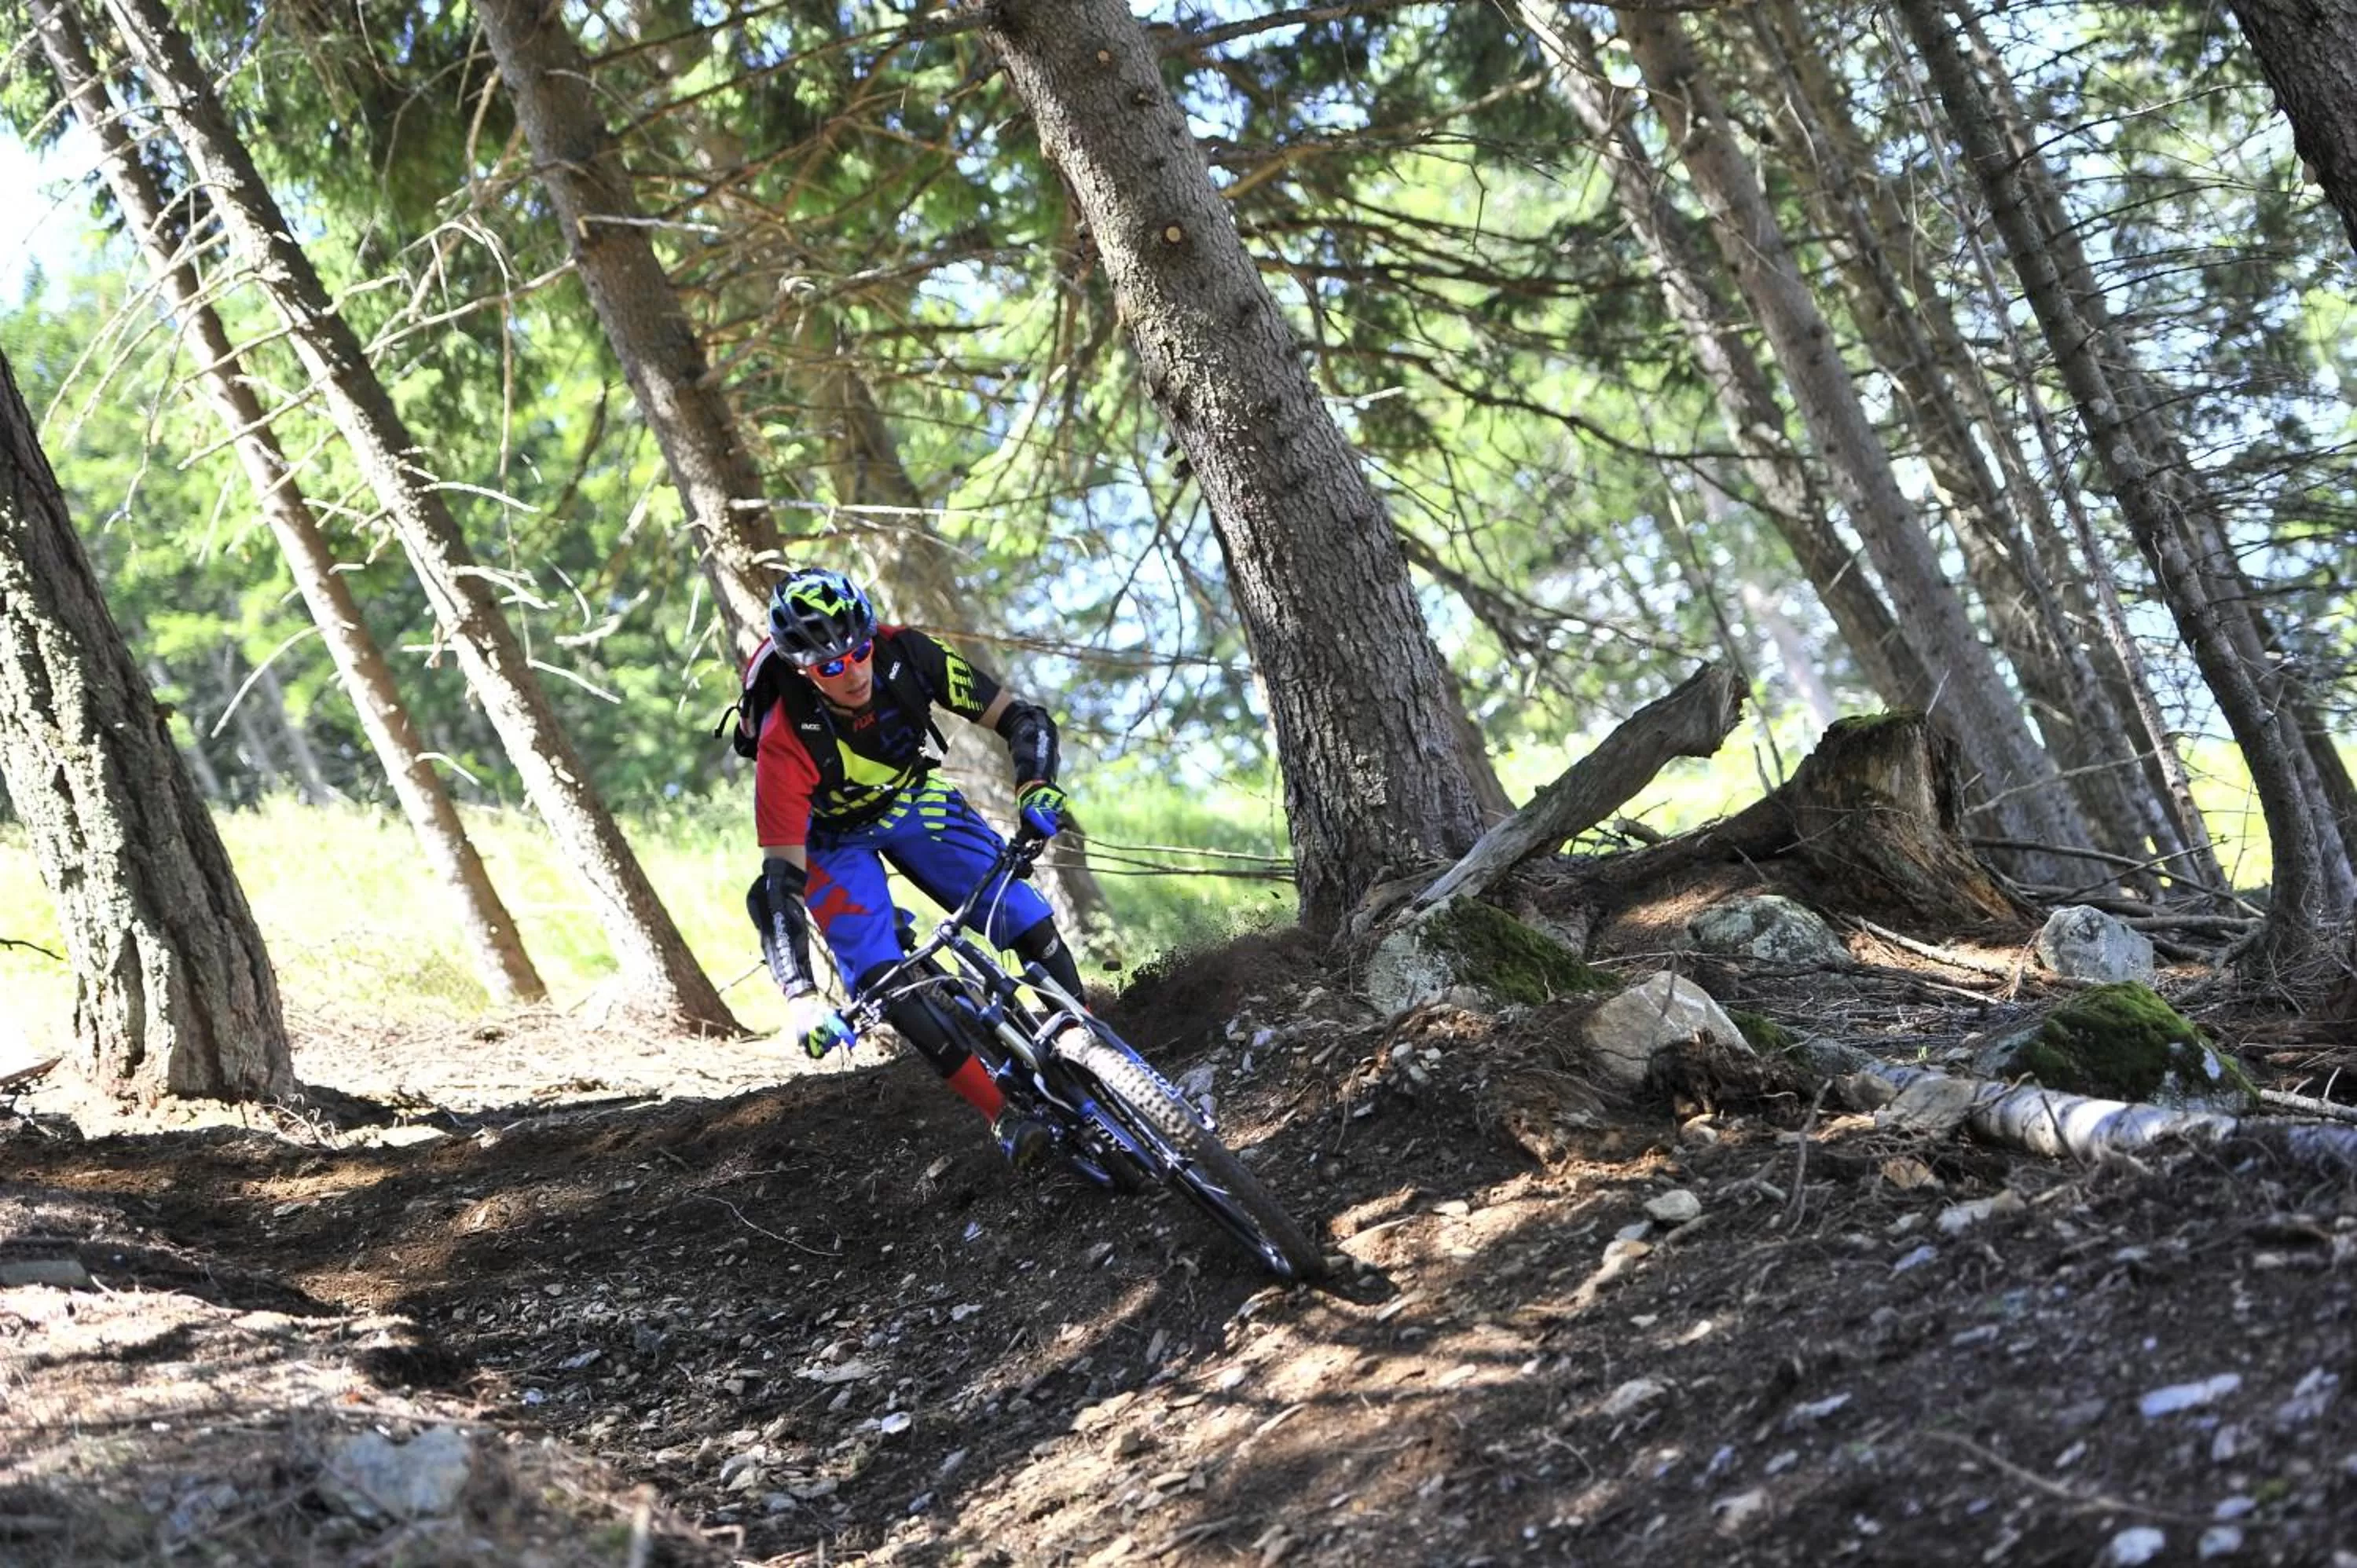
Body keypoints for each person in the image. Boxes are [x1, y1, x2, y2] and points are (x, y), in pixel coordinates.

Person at [736, 567, 1087, 1170]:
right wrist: (800, 998)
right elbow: (779, 886)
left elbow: (1022, 718)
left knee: (1028, 919)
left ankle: (1085, 1051)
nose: (852, 673)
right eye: (828, 667)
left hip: (908, 796)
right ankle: (1001, 1114)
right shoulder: (782, 740)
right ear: (801, 671)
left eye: (859, 651)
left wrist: (1034, 786)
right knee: (881, 979)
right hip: (827, 840)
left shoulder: (912, 654)